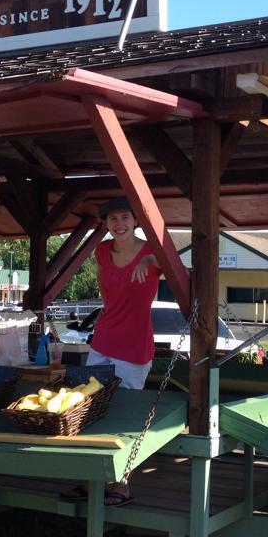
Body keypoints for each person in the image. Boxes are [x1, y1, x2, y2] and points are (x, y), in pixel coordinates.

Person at [64, 196, 161, 506]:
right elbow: (106, 289)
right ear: (106, 224)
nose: (119, 224)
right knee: (90, 406)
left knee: (126, 414)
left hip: (134, 343)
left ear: (135, 220)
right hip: (103, 339)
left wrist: (148, 260)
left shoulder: (152, 251)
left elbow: (180, 267)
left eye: (125, 217)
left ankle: (122, 484)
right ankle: (92, 478)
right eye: (113, 219)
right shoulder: (102, 251)